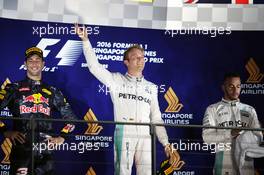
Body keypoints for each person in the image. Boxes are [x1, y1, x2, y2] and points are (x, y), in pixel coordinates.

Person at [75, 24, 184, 175]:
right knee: (122, 172)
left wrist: (167, 145)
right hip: (125, 131)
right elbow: (94, 67)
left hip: (146, 134)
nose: (141, 60)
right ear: (126, 62)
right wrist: (85, 41)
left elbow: (157, 117)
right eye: (136, 57)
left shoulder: (151, 87)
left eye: (142, 57)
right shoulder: (116, 80)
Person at [0, 46, 76, 175]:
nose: (34, 63)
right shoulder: (12, 88)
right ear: (25, 64)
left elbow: (72, 119)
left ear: (43, 64)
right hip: (21, 152)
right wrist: (5, 131)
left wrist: (62, 137)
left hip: (45, 154)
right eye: (30, 60)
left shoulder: (53, 91)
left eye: (37, 60)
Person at [202, 72, 263, 175]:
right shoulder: (212, 109)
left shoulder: (250, 110)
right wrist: (231, 133)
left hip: (246, 167)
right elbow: (207, 138)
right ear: (223, 87)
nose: (236, 90)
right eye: (231, 87)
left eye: (238, 86)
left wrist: (247, 137)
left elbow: (259, 138)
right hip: (223, 166)